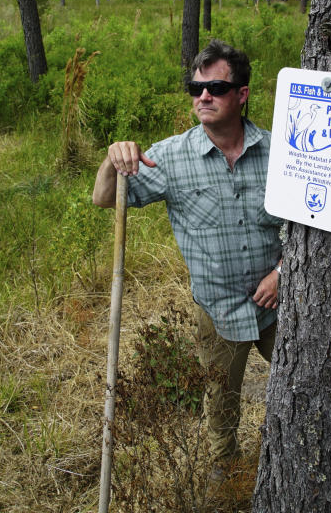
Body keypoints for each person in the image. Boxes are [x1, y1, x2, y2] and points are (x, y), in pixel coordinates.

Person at [92, 39, 283, 475]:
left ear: (243, 94)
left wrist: (282, 273)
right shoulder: (171, 157)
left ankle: (295, 457)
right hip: (218, 311)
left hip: (281, 303)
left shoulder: (281, 153)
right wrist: (111, 159)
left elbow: (307, 225)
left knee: (305, 384)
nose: (204, 96)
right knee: (220, 402)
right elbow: (105, 198)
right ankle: (226, 476)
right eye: (195, 88)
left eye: (216, 87)